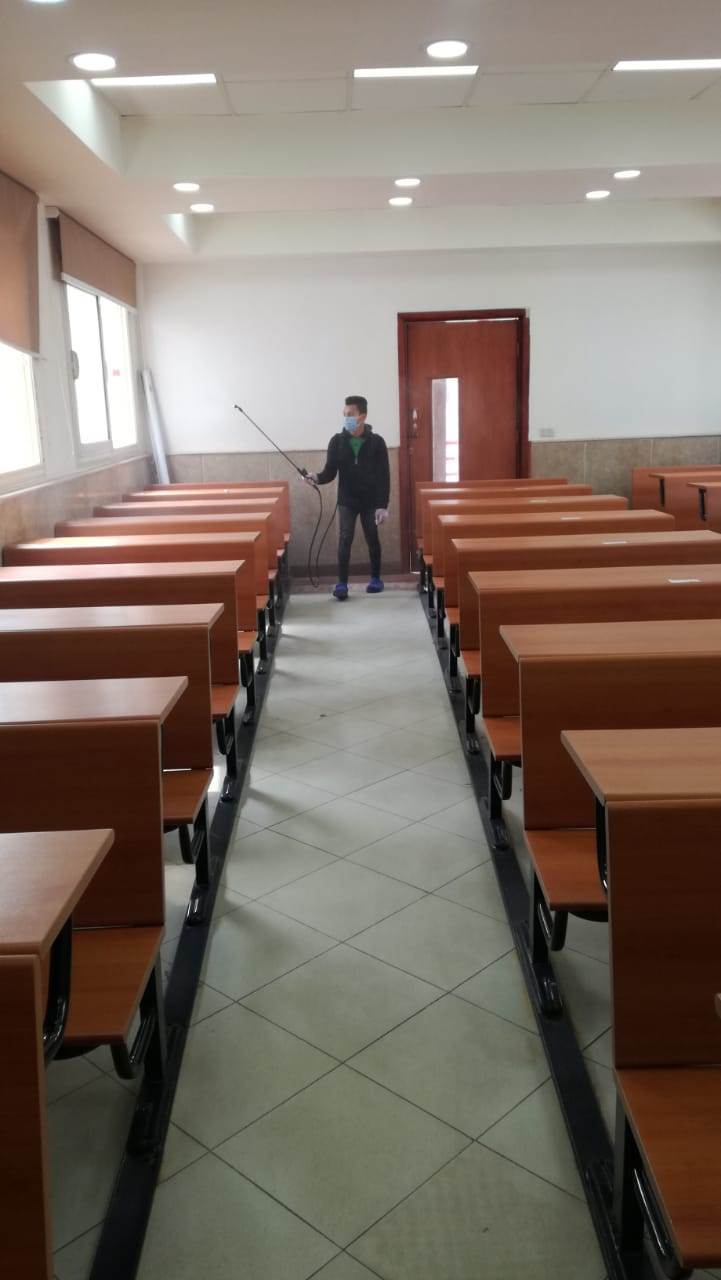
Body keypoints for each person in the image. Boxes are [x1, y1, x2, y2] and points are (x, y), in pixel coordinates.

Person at [305, 395, 390, 600]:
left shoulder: (377, 443)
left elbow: (384, 476)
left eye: (350, 414)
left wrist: (382, 505)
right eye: (345, 414)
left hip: (371, 501)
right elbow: (329, 472)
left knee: (372, 537)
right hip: (347, 500)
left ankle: (376, 579)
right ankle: (342, 583)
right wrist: (316, 478)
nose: (347, 418)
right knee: (345, 538)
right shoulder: (337, 441)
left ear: (363, 416)